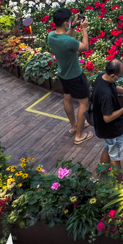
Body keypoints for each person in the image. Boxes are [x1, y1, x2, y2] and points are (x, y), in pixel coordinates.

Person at [48, 8, 92, 145]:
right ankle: (79, 135)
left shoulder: (51, 36)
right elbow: (85, 47)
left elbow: (66, 38)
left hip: (63, 74)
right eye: (70, 20)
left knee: (67, 98)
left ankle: (74, 126)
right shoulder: (68, 41)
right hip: (75, 76)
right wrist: (84, 29)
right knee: (83, 102)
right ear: (65, 23)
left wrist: (72, 26)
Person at [91, 58, 123, 174]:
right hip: (113, 130)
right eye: (121, 75)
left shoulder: (102, 76)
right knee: (116, 159)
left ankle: (103, 174)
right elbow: (107, 118)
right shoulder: (106, 96)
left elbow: (112, 86)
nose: (121, 77)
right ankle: (118, 187)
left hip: (103, 129)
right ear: (113, 75)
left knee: (108, 147)